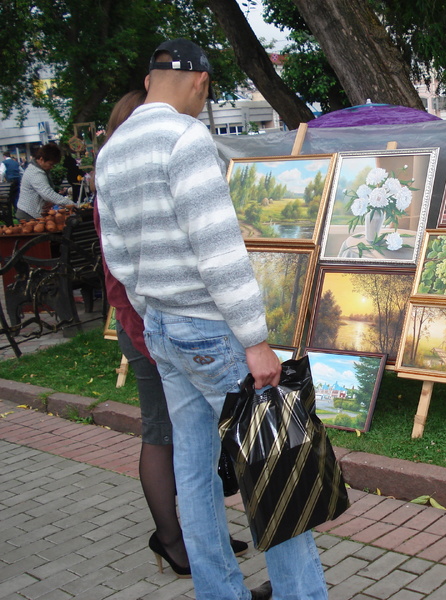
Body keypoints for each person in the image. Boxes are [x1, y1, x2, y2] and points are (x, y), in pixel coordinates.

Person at [95, 39, 327, 600]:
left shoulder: (112, 151)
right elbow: (220, 250)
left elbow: (119, 258)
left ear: (150, 80)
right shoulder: (185, 137)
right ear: (200, 84)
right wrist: (256, 342)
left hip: (163, 330)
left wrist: (155, 314)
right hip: (210, 330)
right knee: (272, 468)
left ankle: (218, 592)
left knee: (194, 473)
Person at [95, 89, 250, 581]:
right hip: (160, 328)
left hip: (155, 325)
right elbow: (124, 271)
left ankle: (204, 558)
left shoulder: (117, 170)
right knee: (178, 441)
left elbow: (124, 262)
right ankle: (174, 541)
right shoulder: (152, 163)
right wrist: (149, 331)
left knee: (188, 450)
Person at [17, 143, 76, 221]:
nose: (51, 167)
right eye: (50, 164)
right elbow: (47, 193)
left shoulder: (40, 170)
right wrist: (71, 204)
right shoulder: (35, 172)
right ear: (41, 159)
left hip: (33, 213)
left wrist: (51, 201)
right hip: (28, 214)